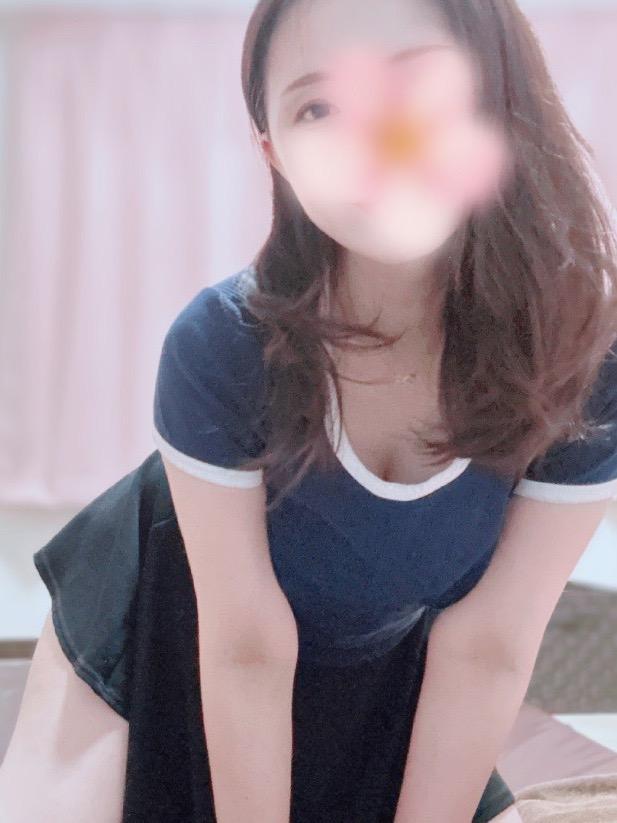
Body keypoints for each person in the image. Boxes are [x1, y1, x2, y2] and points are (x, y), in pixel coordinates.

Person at [2, 0, 617, 820]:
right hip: (165, 617)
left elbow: (488, 644)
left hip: (376, 664)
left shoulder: (584, 357)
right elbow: (245, 645)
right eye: (317, 107)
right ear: (275, 152)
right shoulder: (223, 343)